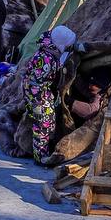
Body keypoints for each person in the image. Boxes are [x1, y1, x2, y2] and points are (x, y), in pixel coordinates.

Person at [22, 26, 79, 165]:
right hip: (38, 95)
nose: (68, 48)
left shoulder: (51, 51)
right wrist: (38, 102)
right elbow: (35, 82)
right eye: (67, 45)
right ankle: (40, 157)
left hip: (43, 93)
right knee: (43, 124)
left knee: (47, 123)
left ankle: (42, 152)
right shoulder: (46, 58)